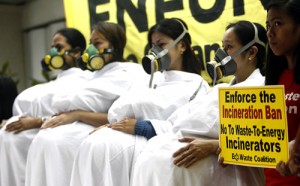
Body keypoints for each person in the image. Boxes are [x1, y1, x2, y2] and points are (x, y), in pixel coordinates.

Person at [70, 18, 210, 186]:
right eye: (153, 45)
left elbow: (188, 127)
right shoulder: (147, 78)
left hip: (146, 145)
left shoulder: (196, 85)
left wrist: (143, 127)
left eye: (162, 44)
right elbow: (121, 108)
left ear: (182, 46)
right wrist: (111, 124)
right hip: (107, 143)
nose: (155, 51)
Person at [131, 20, 268, 186]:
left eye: (229, 47)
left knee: (166, 162)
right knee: (151, 156)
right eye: (222, 47)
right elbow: (182, 119)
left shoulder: (264, 89)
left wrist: (213, 146)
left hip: (224, 163)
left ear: (252, 52)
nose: (221, 54)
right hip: (188, 147)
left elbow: (264, 143)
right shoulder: (219, 88)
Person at [24, 21, 149, 186]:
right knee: (44, 138)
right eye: (90, 44)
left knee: (55, 141)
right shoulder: (92, 76)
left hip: (100, 129)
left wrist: (77, 114)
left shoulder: (131, 72)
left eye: (97, 43)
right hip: (75, 126)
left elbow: (123, 116)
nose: (91, 49)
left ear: (115, 45)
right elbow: (62, 102)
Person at [0, 27, 89, 186]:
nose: (54, 52)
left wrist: (38, 121)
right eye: (52, 48)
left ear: (77, 52)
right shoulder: (54, 84)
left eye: (59, 47)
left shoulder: (87, 81)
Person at [264, 0, 300, 185]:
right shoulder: (275, 78)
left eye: (278, 23)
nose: (270, 33)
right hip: (272, 181)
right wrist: (233, 150)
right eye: (268, 25)